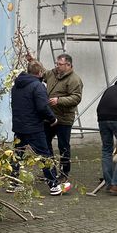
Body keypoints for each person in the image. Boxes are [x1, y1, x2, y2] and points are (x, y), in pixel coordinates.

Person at [9, 60, 63, 196]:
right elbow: (42, 107)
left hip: (19, 126)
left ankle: (12, 182)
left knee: (17, 155)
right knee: (44, 155)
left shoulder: (16, 86)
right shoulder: (38, 86)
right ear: (39, 72)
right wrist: (53, 119)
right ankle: (54, 185)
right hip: (34, 127)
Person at [43, 53, 83, 181]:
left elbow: (76, 97)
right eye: (57, 63)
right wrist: (32, 60)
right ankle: (50, 170)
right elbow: (41, 73)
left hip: (64, 118)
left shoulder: (74, 79)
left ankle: (64, 173)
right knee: (45, 143)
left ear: (68, 65)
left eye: (60, 64)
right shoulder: (52, 73)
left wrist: (59, 100)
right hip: (50, 116)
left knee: (63, 146)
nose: (57, 66)